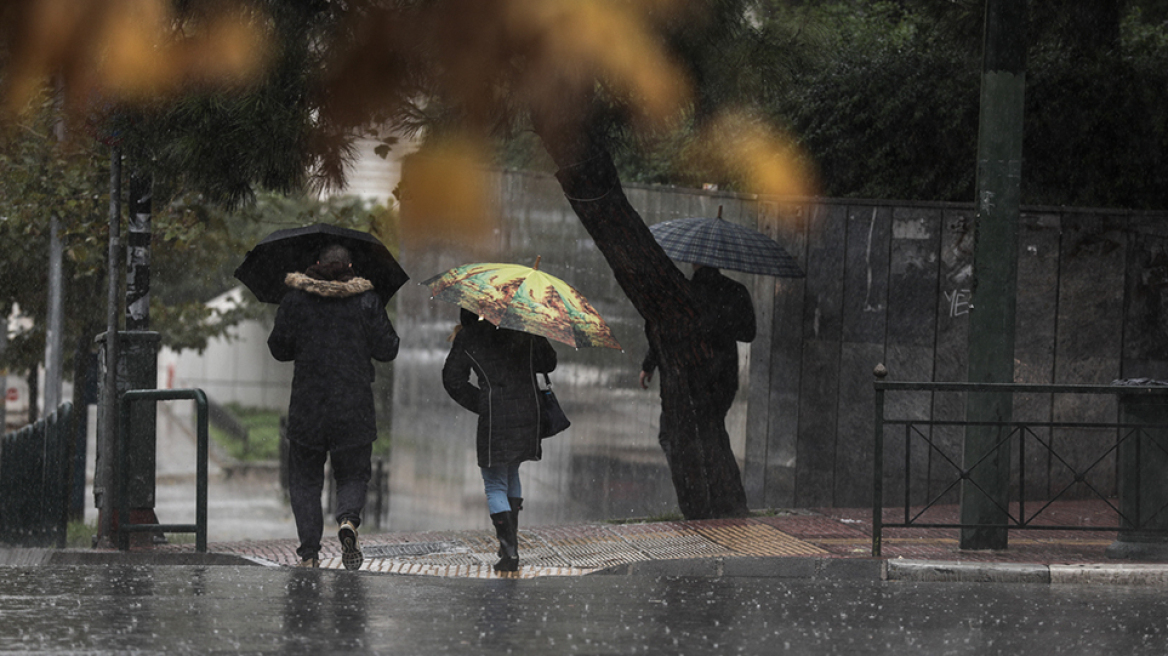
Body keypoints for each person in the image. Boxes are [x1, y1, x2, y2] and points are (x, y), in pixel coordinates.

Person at [268, 244, 399, 569]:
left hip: (308, 406)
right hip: (353, 404)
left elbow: (278, 348)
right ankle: (348, 521)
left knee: (305, 480)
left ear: (316, 264)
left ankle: (310, 554)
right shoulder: (366, 300)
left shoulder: (296, 299)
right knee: (353, 474)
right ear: (350, 266)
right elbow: (389, 349)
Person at [442, 308, 557, 572]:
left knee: (494, 483)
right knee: (512, 469)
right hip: (528, 411)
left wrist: (483, 402)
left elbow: (452, 379)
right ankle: (510, 547)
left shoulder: (470, 336)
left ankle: (509, 551)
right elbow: (548, 362)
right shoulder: (521, 329)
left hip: (496, 416)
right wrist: (533, 328)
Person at [639, 264, 756, 422]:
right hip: (724, 376)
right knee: (712, 428)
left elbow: (667, 329)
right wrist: (723, 324)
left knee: (675, 432)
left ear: (695, 262)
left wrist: (649, 364)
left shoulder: (684, 292)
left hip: (689, 374)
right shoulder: (736, 291)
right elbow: (749, 333)